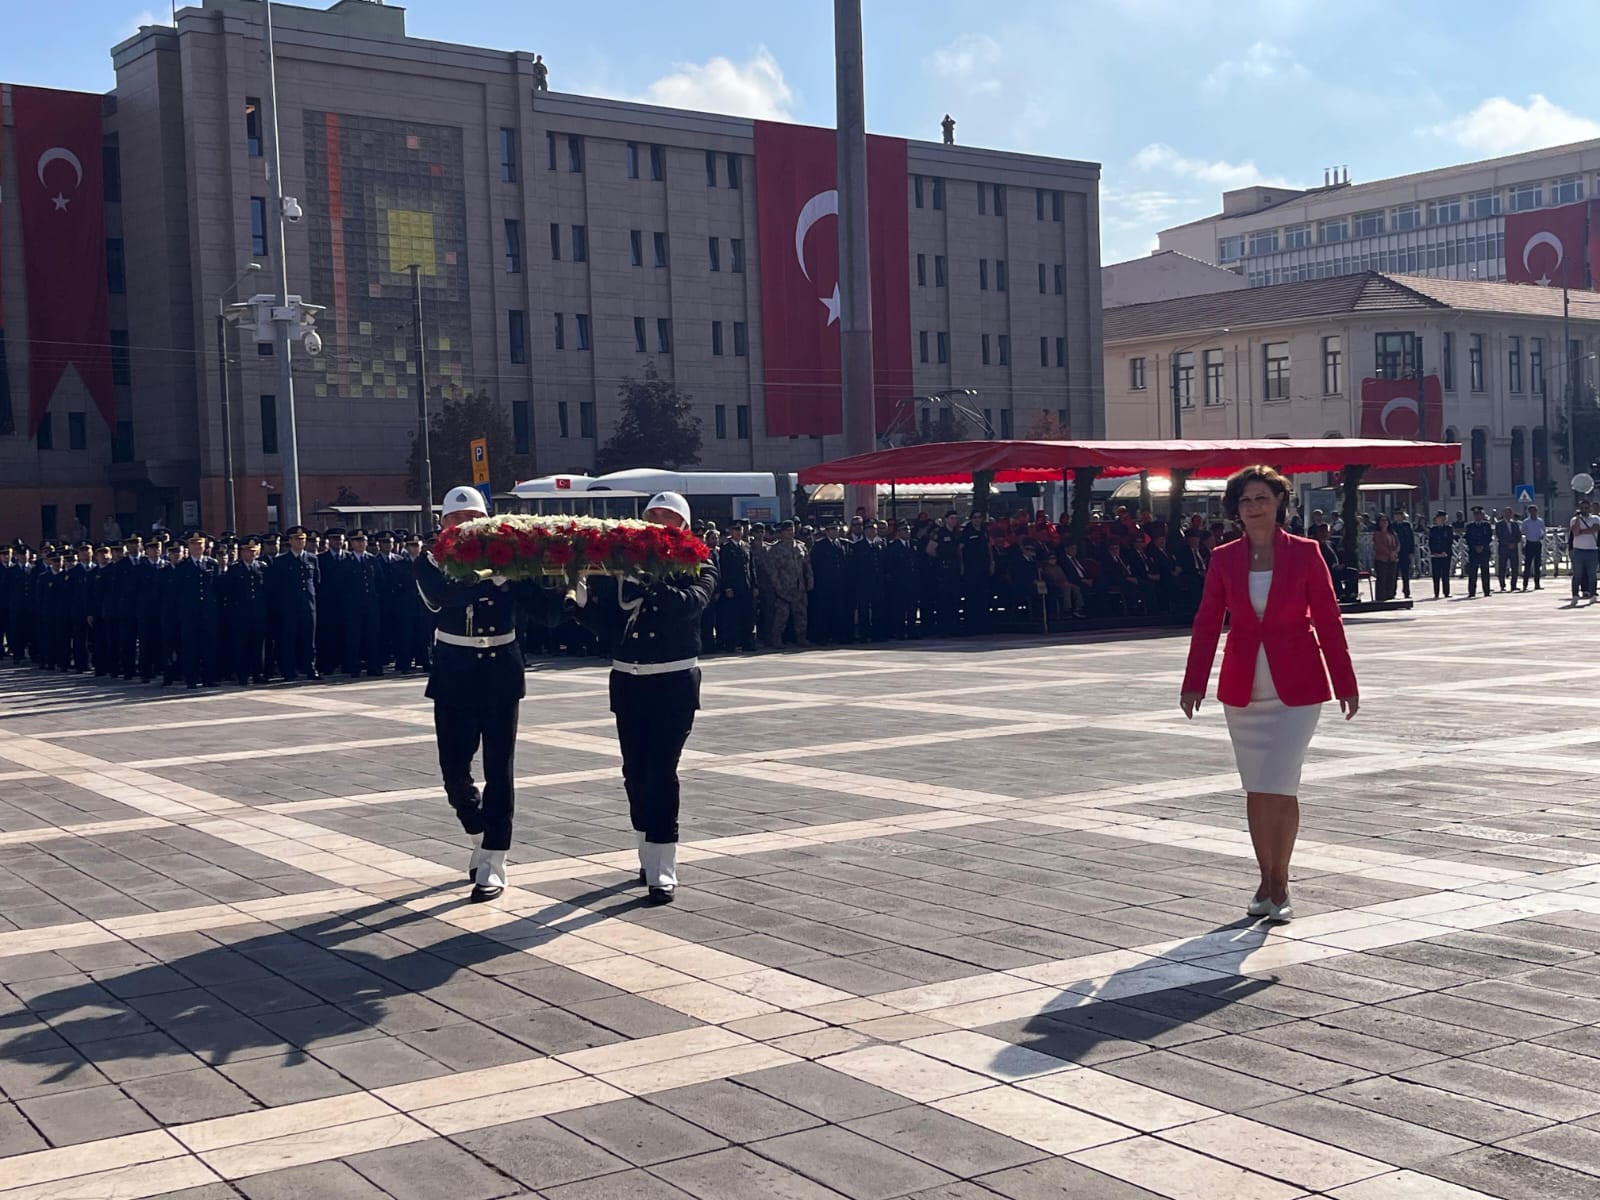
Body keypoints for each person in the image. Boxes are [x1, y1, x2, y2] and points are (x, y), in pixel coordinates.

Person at [1181, 465, 1358, 924]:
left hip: (1296, 685)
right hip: (1244, 686)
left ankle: (1280, 881)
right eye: (1245, 501)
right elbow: (1206, 621)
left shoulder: (1305, 553)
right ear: (1236, 510)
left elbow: (1328, 618)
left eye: (1261, 498)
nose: (1254, 507)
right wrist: (1193, 681)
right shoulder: (1224, 558)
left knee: (1282, 783)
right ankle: (1266, 879)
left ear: (1279, 502)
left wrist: (1346, 683)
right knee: (1258, 788)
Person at [567, 492, 719, 904]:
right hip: (629, 681)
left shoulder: (698, 561)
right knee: (633, 773)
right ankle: (646, 850)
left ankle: (663, 866)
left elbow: (693, 604)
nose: (660, 525)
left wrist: (653, 584)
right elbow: (610, 626)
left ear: (684, 526)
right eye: (654, 517)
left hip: (673, 681)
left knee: (661, 772)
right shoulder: (623, 562)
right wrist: (582, 605)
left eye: (669, 518)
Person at [414, 486, 563, 902]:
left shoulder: (512, 561)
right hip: (454, 670)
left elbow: (547, 614)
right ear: (443, 524)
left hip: (499, 668)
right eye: (456, 520)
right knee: (453, 771)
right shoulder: (429, 561)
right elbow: (442, 596)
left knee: (500, 769)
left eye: (472, 519)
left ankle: (495, 859)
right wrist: (494, 578)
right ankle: (478, 830)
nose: (464, 527)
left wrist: (554, 577)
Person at [1569, 499, 1600, 603]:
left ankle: (1592, 594)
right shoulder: (1574, 520)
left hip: (1592, 550)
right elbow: (1576, 532)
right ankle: (1575, 595)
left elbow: (1595, 529)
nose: (1584, 510)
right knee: (1577, 574)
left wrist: (1582, 531)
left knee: (1592, 574)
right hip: (1579, 550)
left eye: (1586, 508)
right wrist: (1578, 519)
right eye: (1582, 508)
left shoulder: (1595, 518)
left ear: (1590, 508)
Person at [1464, 507, 1493, 598]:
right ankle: (1472, 591)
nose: (1478, 516)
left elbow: (1488, 537)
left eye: (1480, 514)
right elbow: (1468, 538)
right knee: (1473, 572)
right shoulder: (1470, 526)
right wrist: (1475, 546)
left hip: (1484, 551)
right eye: (1476, 514)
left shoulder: (1486, 525)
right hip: (1473, 552)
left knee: (1485, 572)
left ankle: (1486, 591)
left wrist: (1482, 546)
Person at [1371, 514, 1399, 602]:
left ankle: (1390, 595)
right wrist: (1389, 553)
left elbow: (1398, 544)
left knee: (1391, 578)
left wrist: (1394, 552)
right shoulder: (1377, 533)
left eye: (1386, 520)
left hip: (1392, 558)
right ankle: (1381, 597)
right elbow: (1379, 545)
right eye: (1382, 520)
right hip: (1381, 558)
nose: (1384, 522)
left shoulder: (1392, 533)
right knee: (1382, 578)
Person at [1494, 507, 1523, 592]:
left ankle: (1513, 585)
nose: (1508, 515)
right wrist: (1508, 544)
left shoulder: (1515, 524)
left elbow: (1518, 535)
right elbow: (1499, 536)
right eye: (1506, 513)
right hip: (1504, 548)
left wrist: (1514, 543)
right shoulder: (1499, 524)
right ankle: (1502, 585)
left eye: (1510, 513)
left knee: (1515, 566)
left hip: (1514, 548)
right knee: (1502, 567)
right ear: (1503, 514)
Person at [1427, 512, 1454, 599]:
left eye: (1443, 518)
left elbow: (1449, 541)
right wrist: (1434, 552)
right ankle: (1436, 592)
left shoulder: (1448, 528)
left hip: (1445, 554)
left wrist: (1444, 552)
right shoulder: (1433, 529)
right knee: (1436, 574)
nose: (1441, 520)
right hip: (1435, 555)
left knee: (1445, 574)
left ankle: (1446, 592)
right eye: (1440, 518)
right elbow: (1431, 542)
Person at [1522, 504, 1546, 590]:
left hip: (1537, 543)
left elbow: (1543, 530)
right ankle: (1525, 584)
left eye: (1535, 511)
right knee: (1527, 565)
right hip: (1529, 543)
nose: (1533, 513)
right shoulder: (1526, 522)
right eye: (1531, 511)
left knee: (1537, 565)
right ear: (1529, 512)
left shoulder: (1540, 521)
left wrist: (1542, 535)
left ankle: (1537, 584)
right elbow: (1523, 532)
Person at [1392, 511, 1415, 599]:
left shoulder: (1407, 526)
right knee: (1394, 574)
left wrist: (1411, 552)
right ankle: (1392, 592)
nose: (1398, 517)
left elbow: (1411, 539)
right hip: (1396, 553)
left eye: (1399, 515)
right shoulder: (1392, 526)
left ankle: (1406, 591)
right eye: (1396, 515)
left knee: (1405, 574)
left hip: (1405, 552)